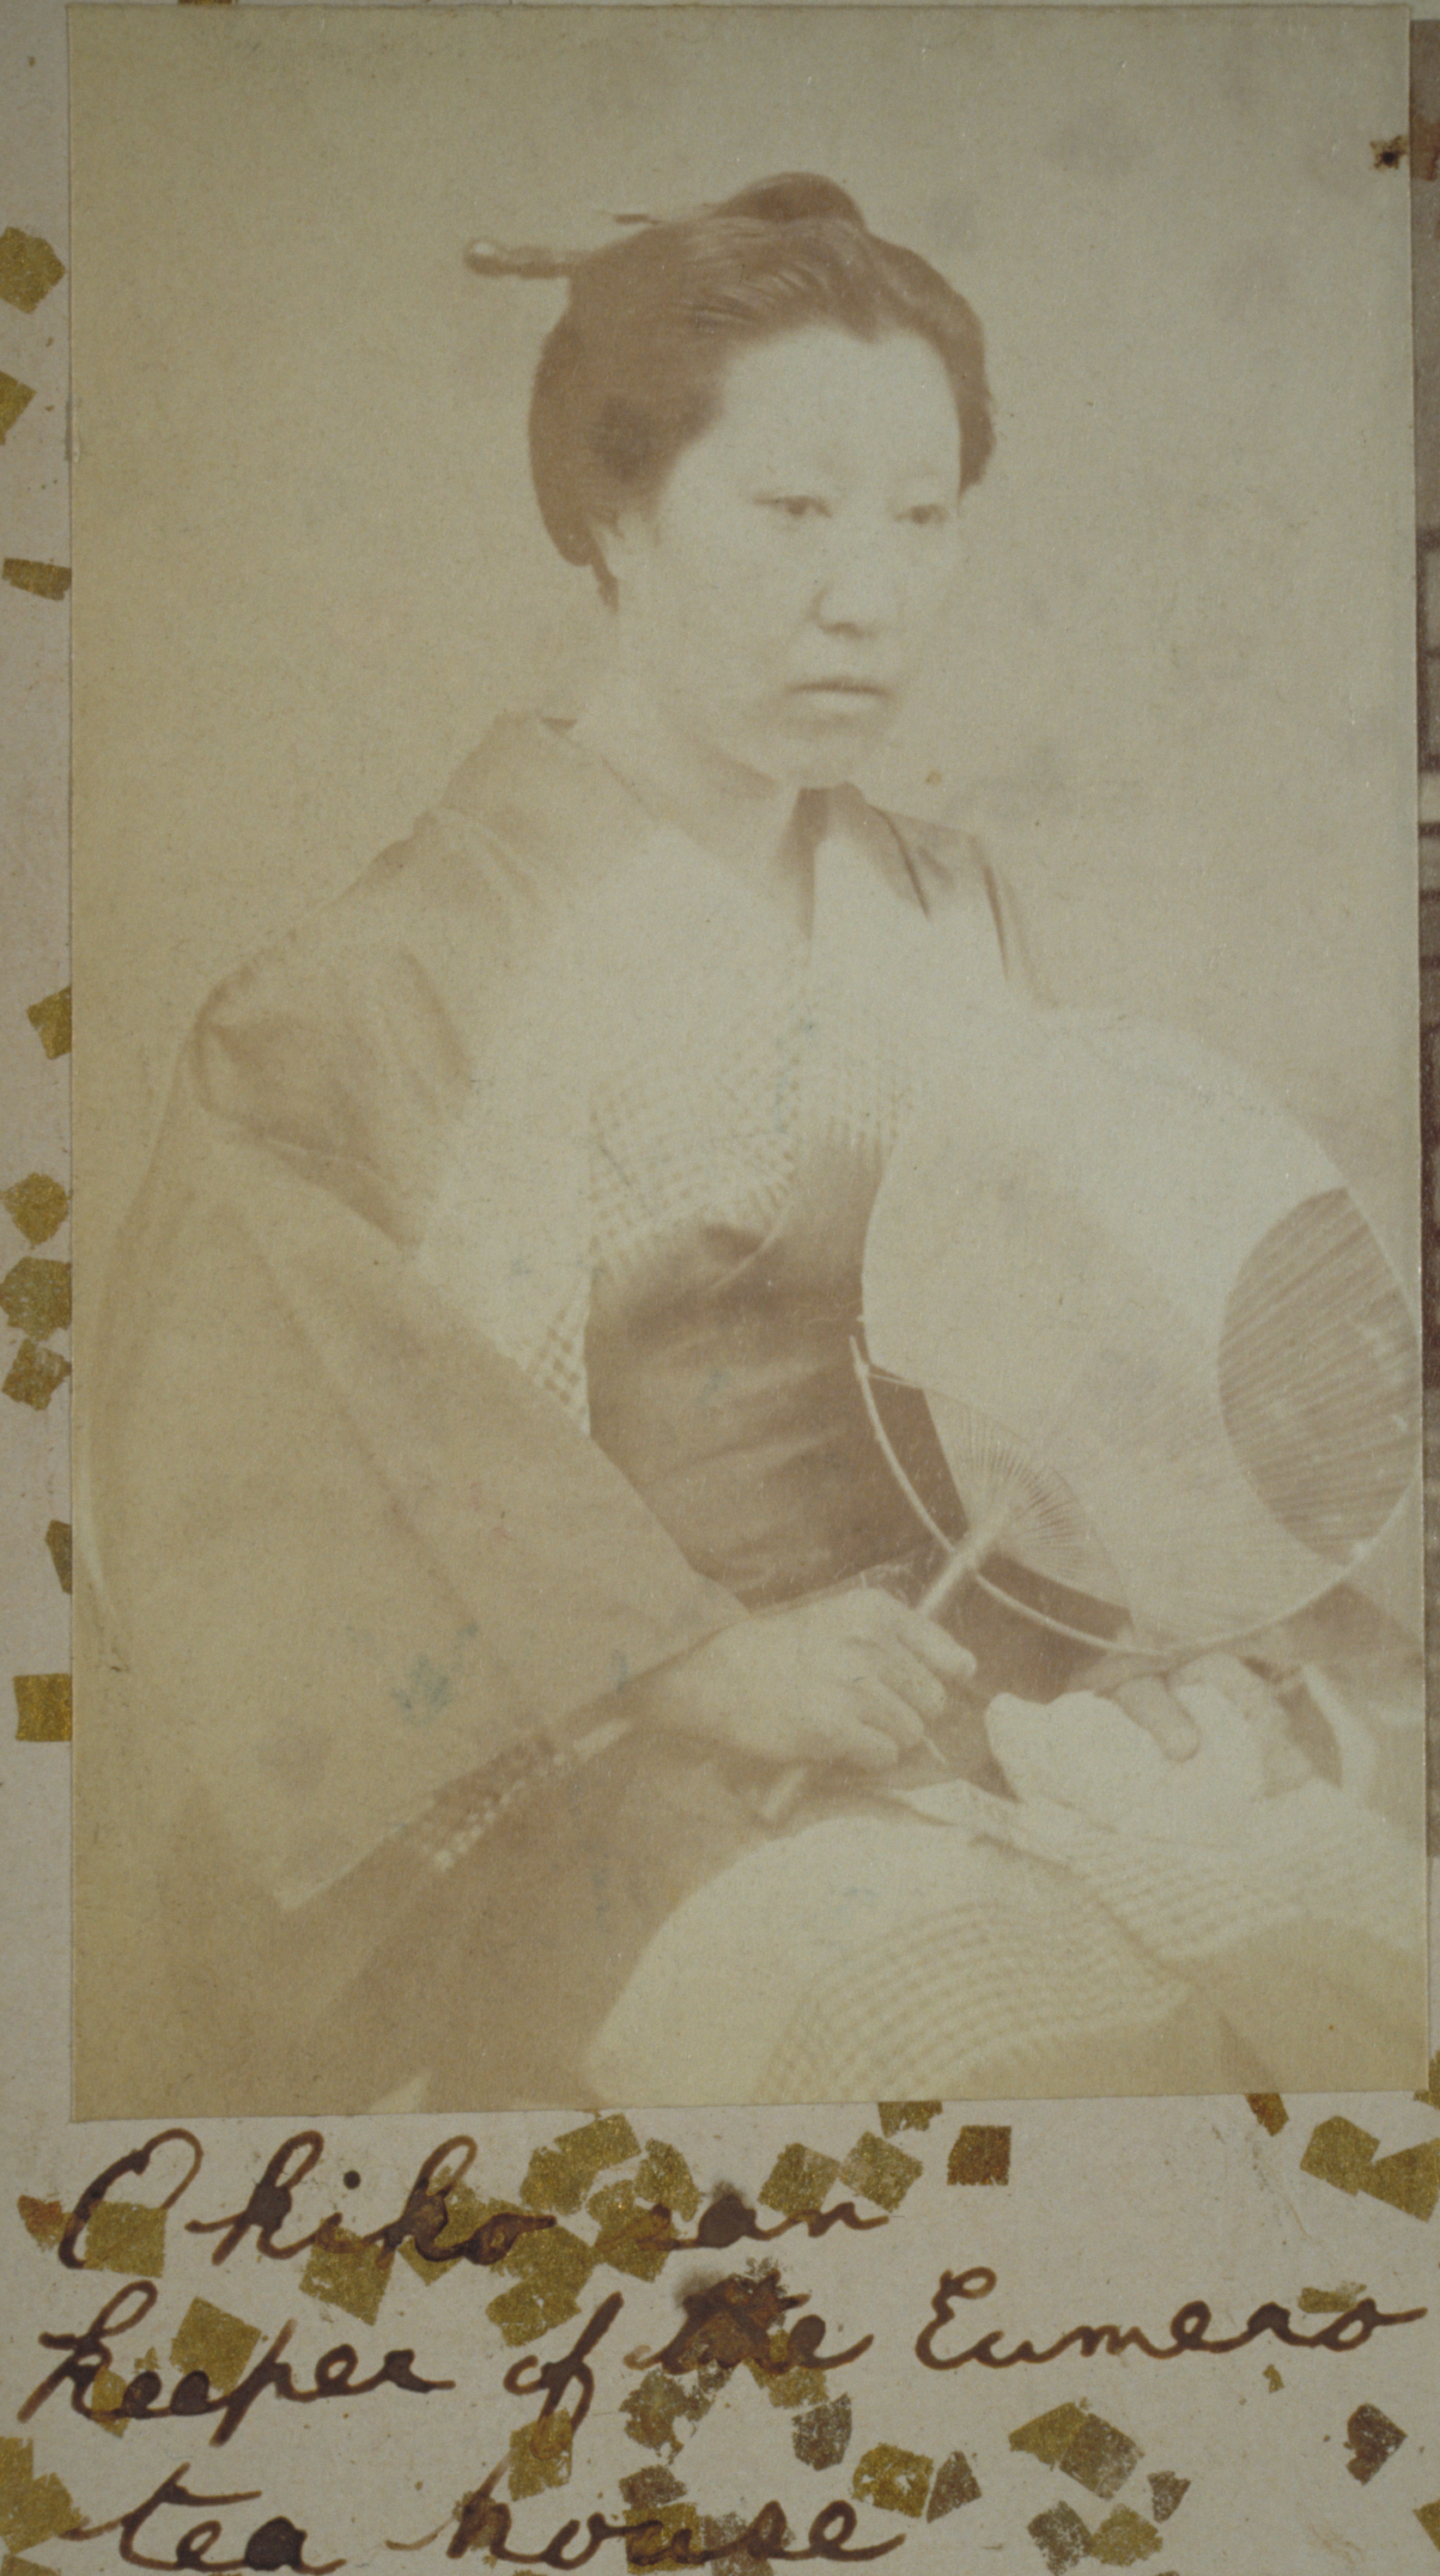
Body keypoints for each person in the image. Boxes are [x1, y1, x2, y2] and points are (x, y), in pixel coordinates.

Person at [77, 176, 1422, 2116]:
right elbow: (274, 1469)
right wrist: (685, 1665)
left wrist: (1141, 1599)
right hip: (618, 1778)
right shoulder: (379, 988)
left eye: (921, 517)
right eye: (792, 512)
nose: (866, 595)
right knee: (1011, 2077)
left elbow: (1076, 1343)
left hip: (1000, 1683)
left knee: (1354, 1977)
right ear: (609, 513)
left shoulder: (947, 908)